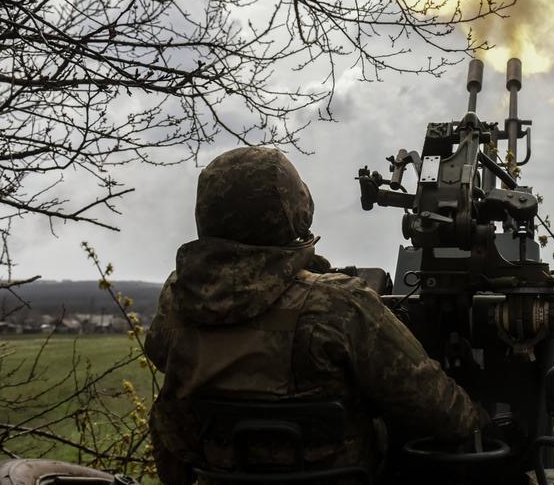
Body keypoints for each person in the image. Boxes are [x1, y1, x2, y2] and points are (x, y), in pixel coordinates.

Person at [145, 146, 485, 483]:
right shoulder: (338, 304)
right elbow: (442, 412)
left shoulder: (177, 301)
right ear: (294, 210)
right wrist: (480, 416)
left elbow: (163, 354)